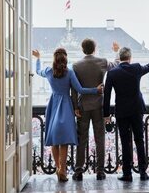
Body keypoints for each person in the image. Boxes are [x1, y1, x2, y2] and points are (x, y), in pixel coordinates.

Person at [32, 48, 103, 182]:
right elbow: (80, 90)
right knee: (63, 141)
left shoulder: (48, 71)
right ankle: (63, 170)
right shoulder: (69, 73)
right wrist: (96, 90)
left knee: (54, 140)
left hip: (53, 105)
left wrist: (38, 58)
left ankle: (58, 168)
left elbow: (37, 71)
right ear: (65, 60)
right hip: (66, 106)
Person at [103, 42, 149, 182]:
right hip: (137, 109)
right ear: (130, 58)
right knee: (139, 140)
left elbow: (107, 95)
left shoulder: (112, 73)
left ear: (120, 58)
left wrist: (106, 115)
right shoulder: (136, 68)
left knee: (125, 142)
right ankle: (143, 173)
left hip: (121, 111)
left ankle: (127, 174)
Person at [71, 38, 120, 181]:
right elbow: (117, 64)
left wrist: (75, 106)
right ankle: (100, 171)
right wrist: (117, 51)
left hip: (83, 106)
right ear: (95, 48)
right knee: (100, 139)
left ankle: (78, 170)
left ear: (82, 49)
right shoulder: (102, 61)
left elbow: (74, 89)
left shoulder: (76, 65)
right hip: (99, 105)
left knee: (82, 139)